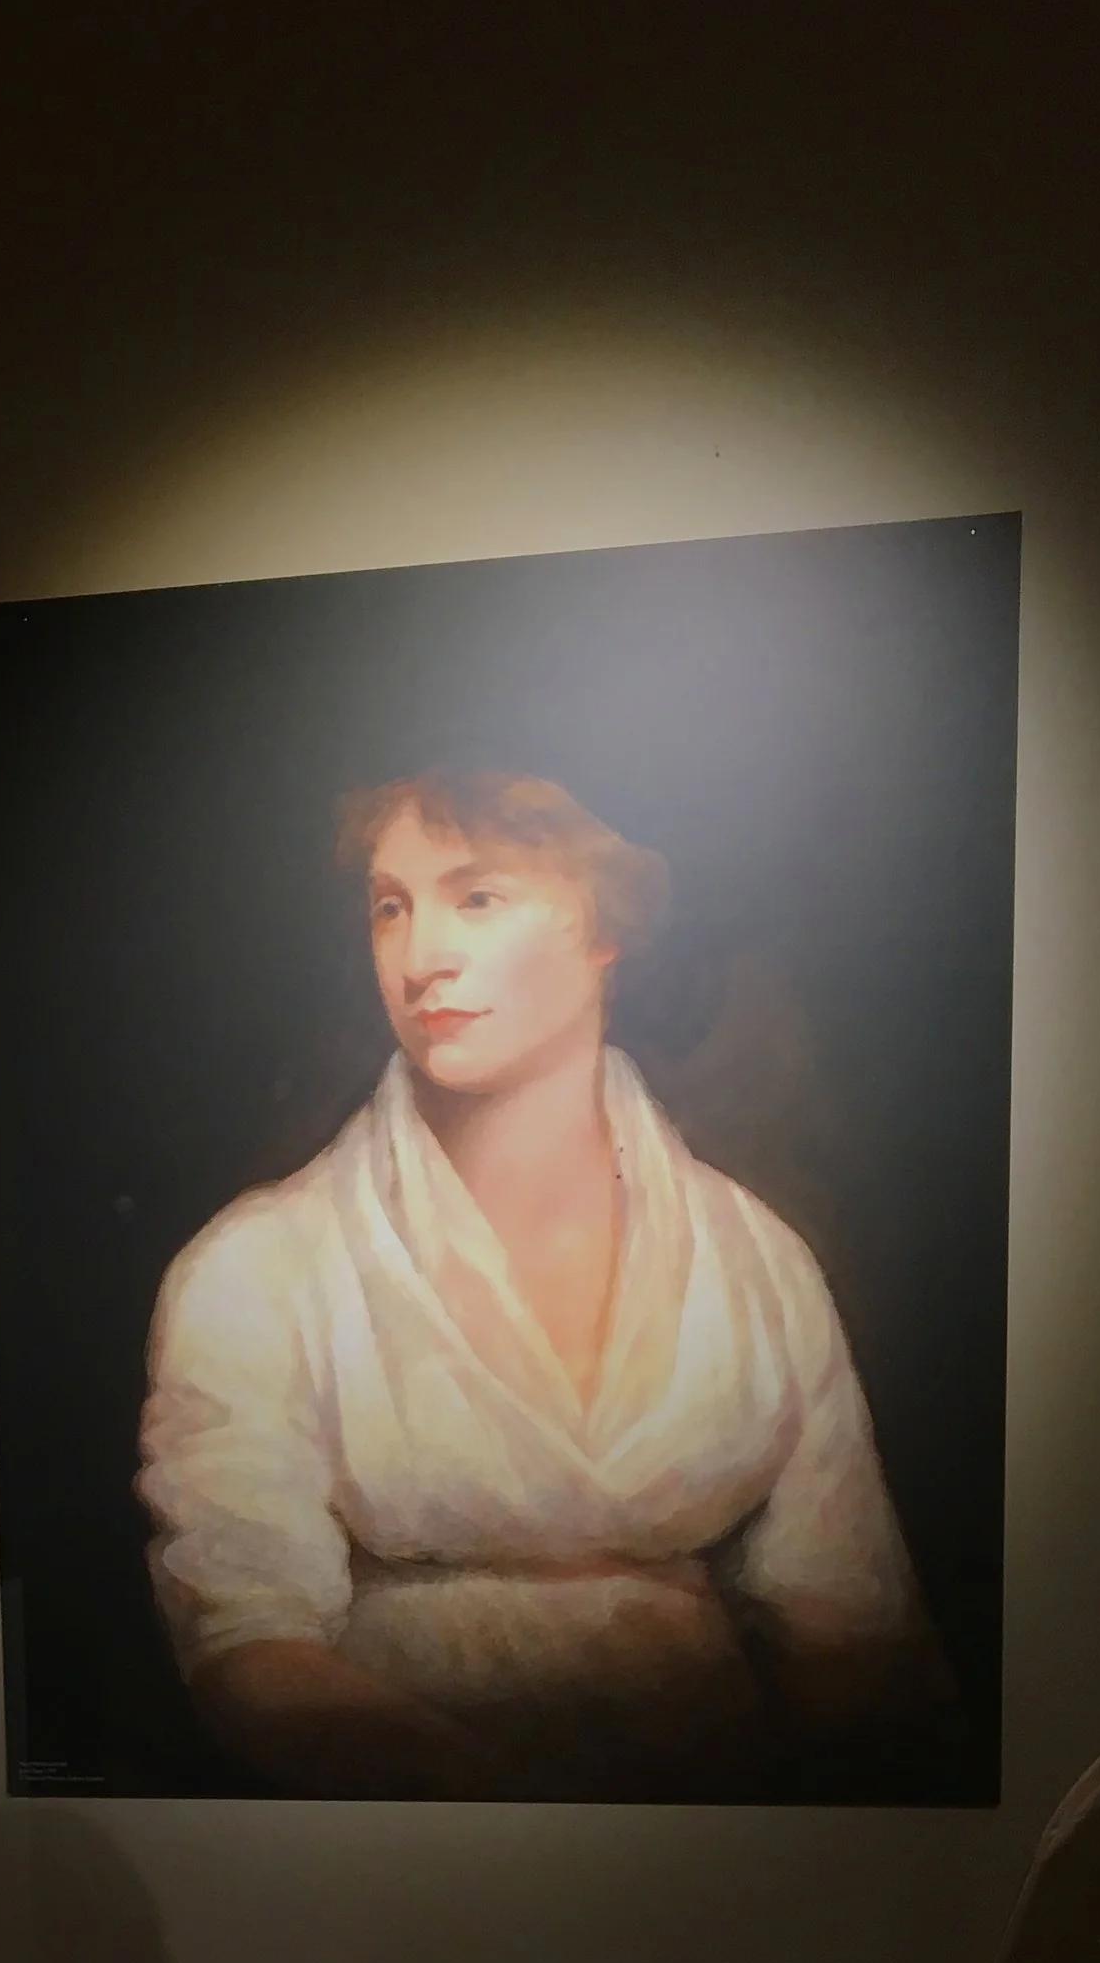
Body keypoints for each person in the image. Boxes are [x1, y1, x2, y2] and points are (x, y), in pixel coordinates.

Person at [137, 768, 943, 1799]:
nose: (421, 957)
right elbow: (247, 1647)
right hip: (395, 1863)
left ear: (605, 923)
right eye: (392, 907)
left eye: (477, 898)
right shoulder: (258, 1268)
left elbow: (850, 1634)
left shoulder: (755, 1261)